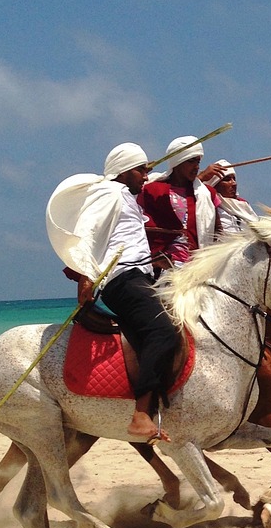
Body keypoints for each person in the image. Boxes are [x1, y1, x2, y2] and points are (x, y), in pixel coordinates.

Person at [46, 143, 182, 442]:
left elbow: (152, 177)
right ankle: (141, 414)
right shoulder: (111, 193)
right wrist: (85, 276)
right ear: (123, 171)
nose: (146, 176)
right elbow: (88, 231)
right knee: (163, 332)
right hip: (122, 279)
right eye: (140, 170)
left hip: (140, 276)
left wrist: (161, 171)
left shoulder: (125, 193)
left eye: (147, 170)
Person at [139, 136, 218, 272]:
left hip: (197, 269)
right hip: (160, 268)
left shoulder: (207, 194)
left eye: (198, 162)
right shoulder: (152, 190)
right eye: (191, 161)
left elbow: (218, 232)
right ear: (178, 162)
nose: (197, 167)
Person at [202, 160, 259, 235]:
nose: (234, 183)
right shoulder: (209, 204)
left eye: (234, 179)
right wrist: (202, 176)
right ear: (215, 184)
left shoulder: (243, 206)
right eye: (227, 179)